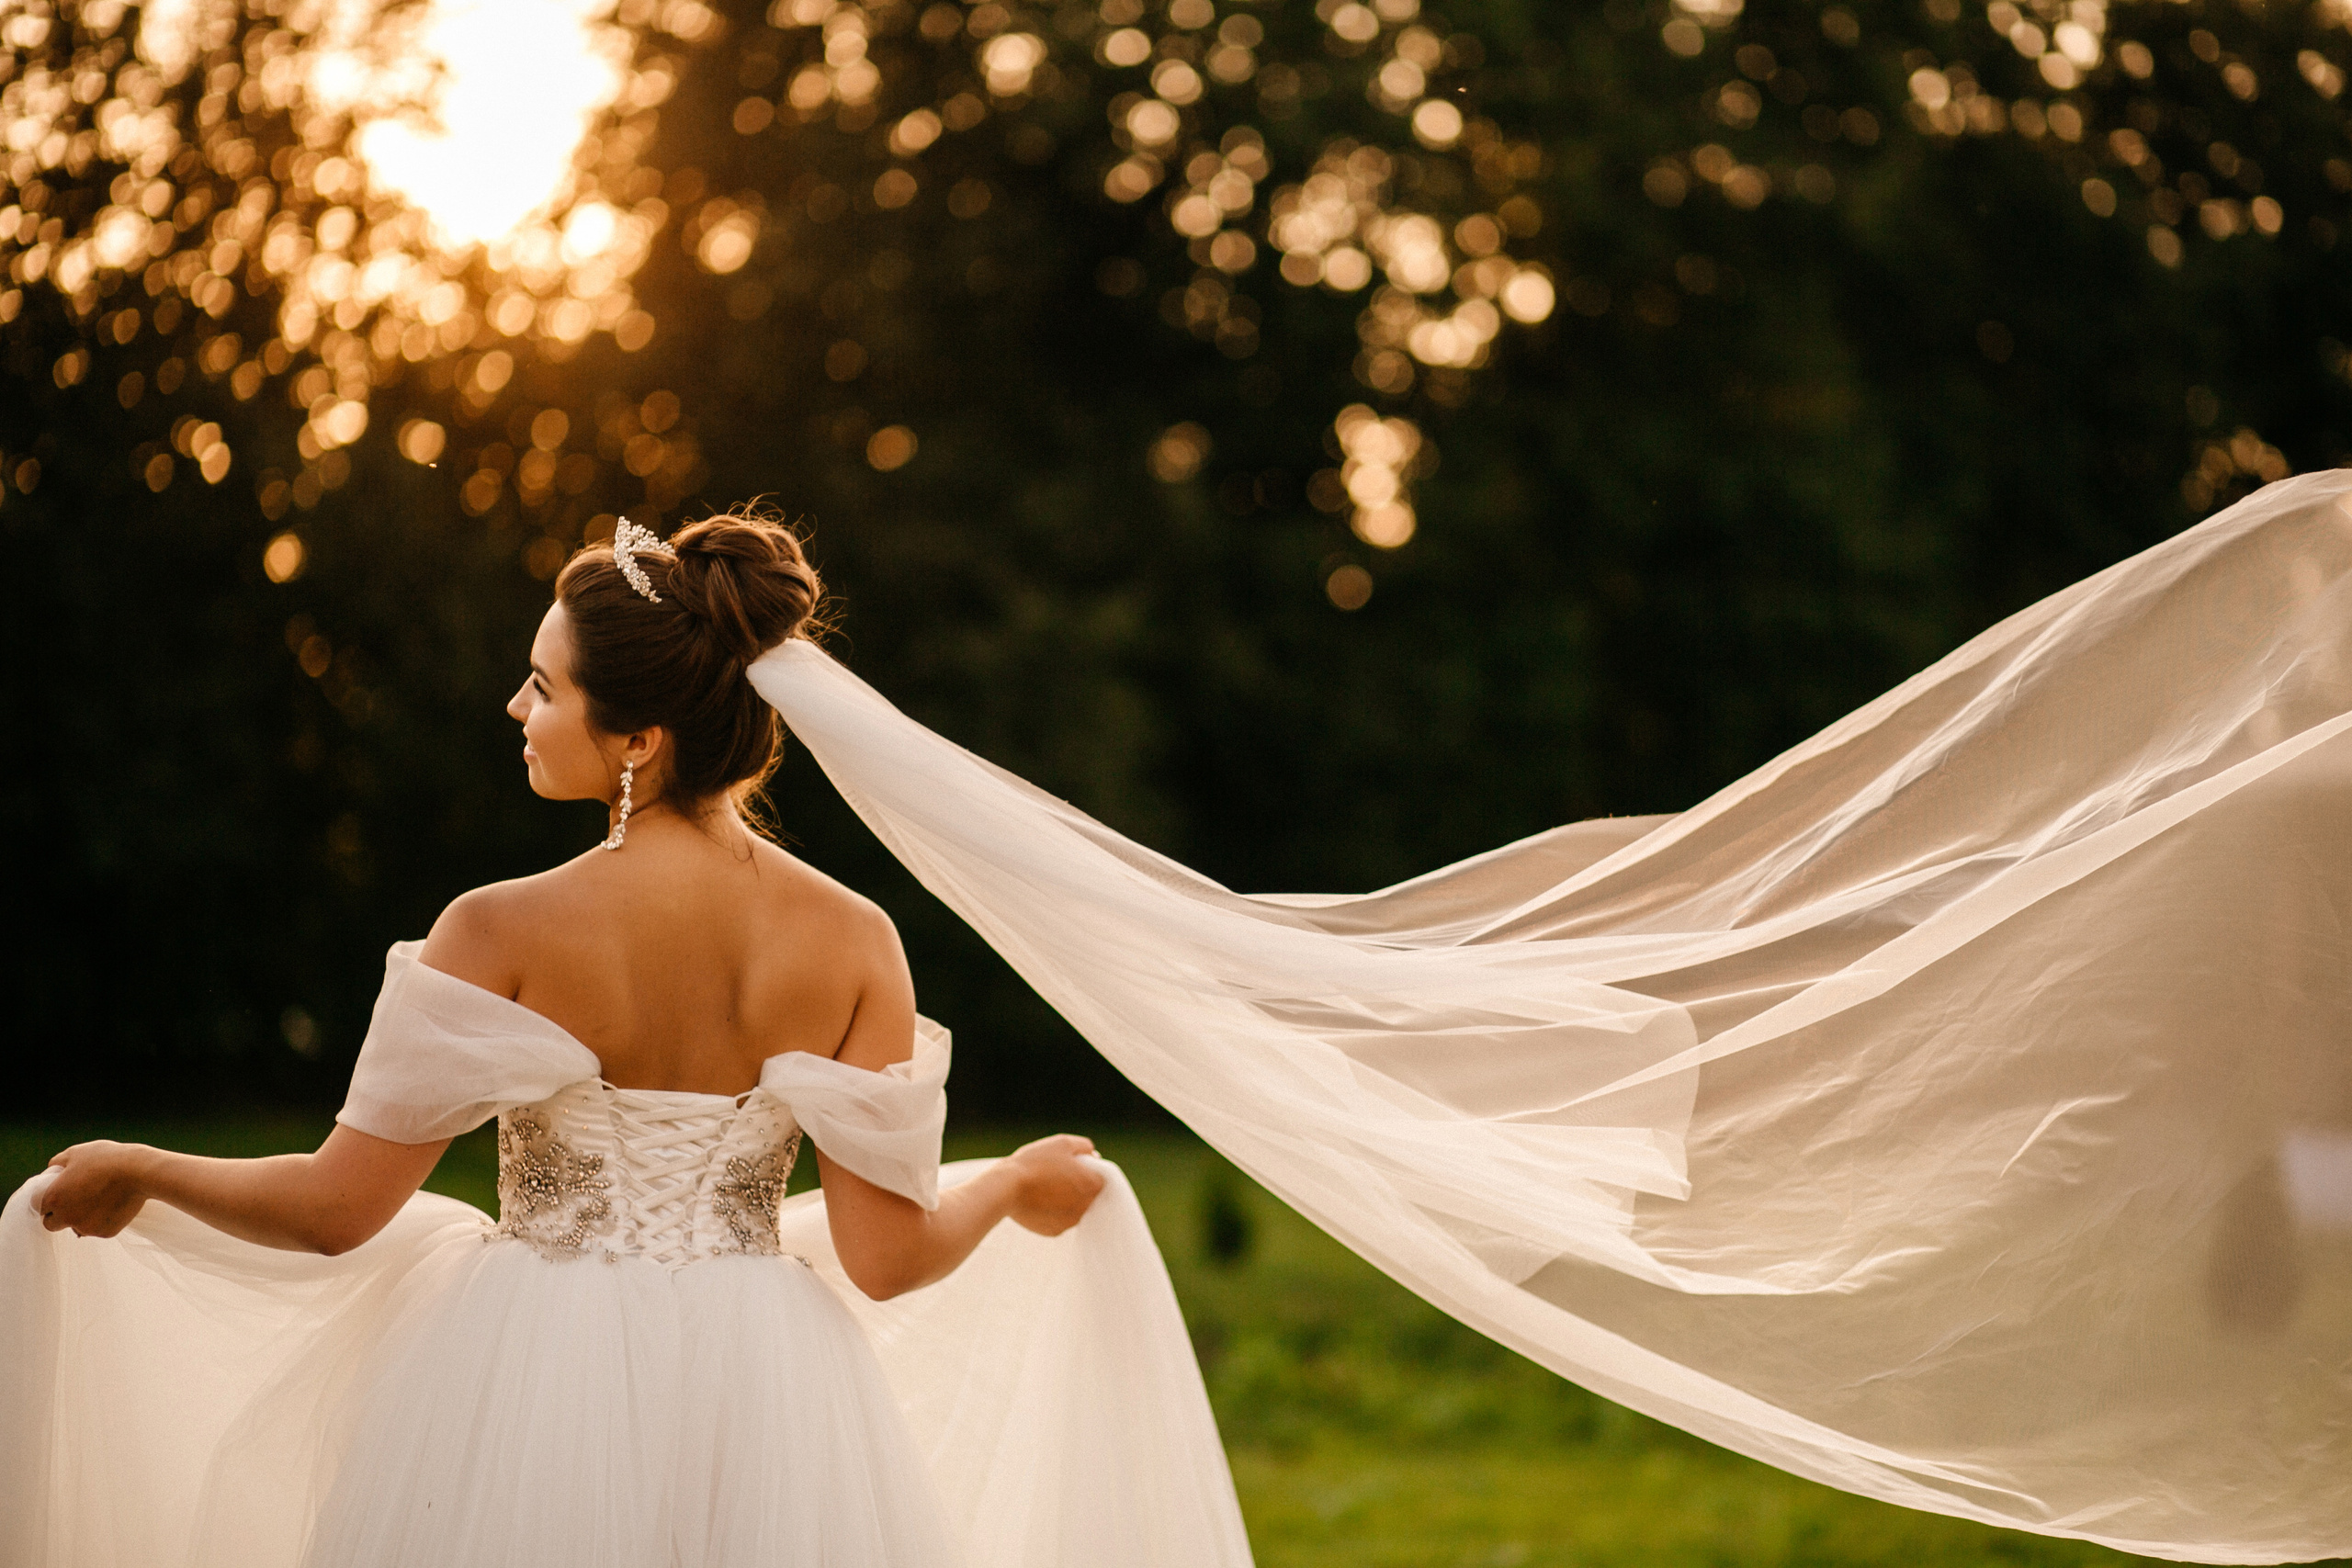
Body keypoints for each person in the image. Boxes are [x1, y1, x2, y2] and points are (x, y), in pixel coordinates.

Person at [4, 514, 1255, 1568]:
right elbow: (885, 1259)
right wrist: (1015, 1187)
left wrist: (148, 1167)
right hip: (769, 1401)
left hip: (525, 1386)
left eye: (544, 685)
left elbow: (338, 1210)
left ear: (639, 739)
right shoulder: (857, 939)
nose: (517, 705)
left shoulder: (499, 930)